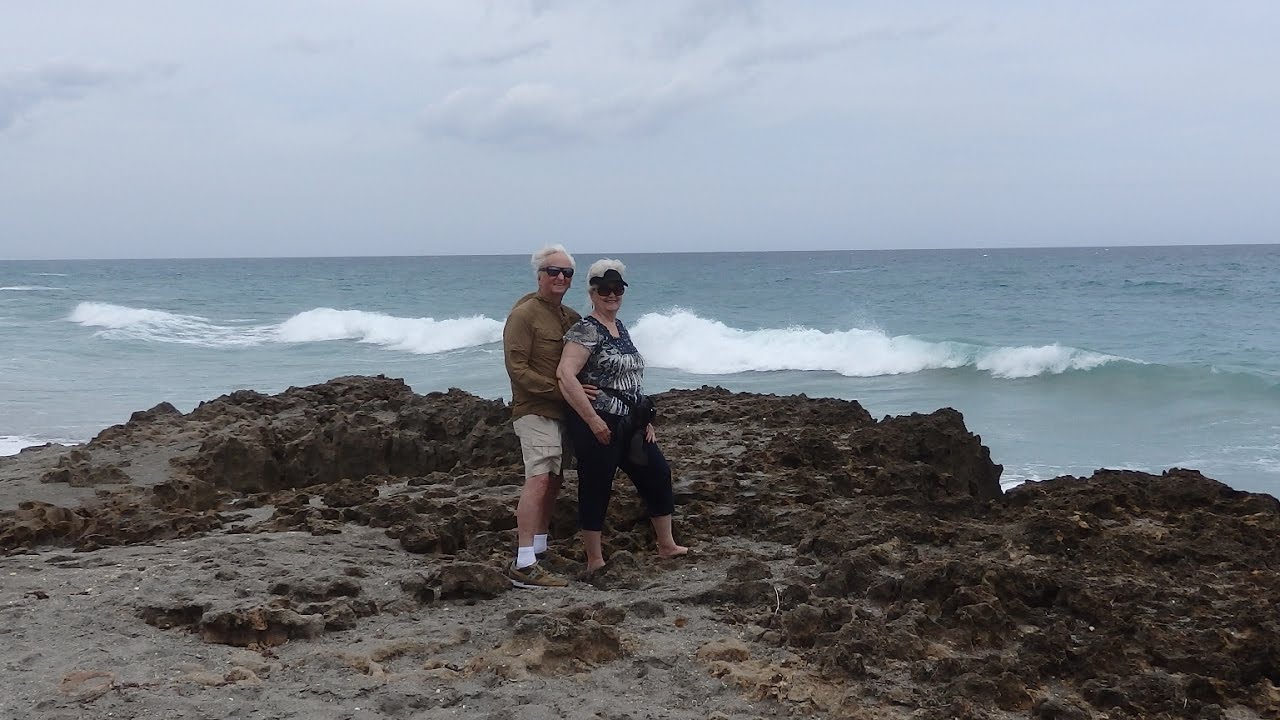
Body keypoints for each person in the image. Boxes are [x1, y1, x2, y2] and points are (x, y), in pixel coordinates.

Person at [557, 259, 688, 573]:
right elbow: (565, 374)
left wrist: (645, 420)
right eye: (604, 289)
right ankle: (594, 559)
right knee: (596, 485)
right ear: (592, 293)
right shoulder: (586, 329)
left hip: (630, 421)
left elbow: (630, 378)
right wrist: (592, 419)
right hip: (598, 421)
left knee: (657, 473)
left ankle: (666, 544)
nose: (611, 295)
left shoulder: (621, 327)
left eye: (617, 289)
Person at [502, 244, 583, 588]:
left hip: (562, 414)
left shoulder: (570, 317)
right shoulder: (523, 316)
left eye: (567, 273)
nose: (561, 277)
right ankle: (523, 563)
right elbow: (517, 369)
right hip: (534, 410)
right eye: (554, 271)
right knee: (537, 478)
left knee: (553, 479)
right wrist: (560, 390)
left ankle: (539, 548)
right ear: (539, 275)